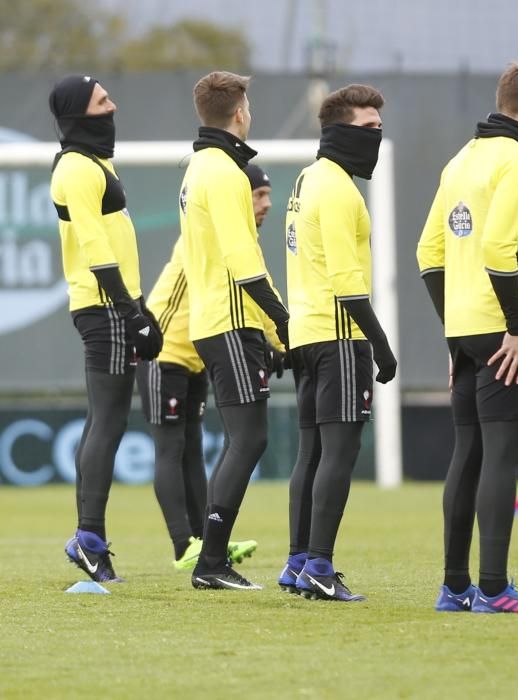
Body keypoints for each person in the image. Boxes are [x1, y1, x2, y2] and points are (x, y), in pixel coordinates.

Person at [416, 62, 518, 613]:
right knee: (501, 458)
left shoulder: (461, 159)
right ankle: (496, 589)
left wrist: (453, 333)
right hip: (507, 332)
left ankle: (455, 588)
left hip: (463, 329)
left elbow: (428, 254)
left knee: (468, 456)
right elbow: (501, 250)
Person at [278, 84, 397, 602]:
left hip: (306, 334)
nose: (377, 136)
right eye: (369, 128)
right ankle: (321, 566)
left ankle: (299, 561)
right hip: (340, 335)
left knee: (311, 453)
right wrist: (381, 345)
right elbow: (349, 283)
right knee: (339, 454)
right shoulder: (340, 189)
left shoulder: (307, 179)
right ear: (341, 130)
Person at [136, 164, 283, 571]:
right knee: (170, 450)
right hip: (163, 356)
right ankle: (184, 545)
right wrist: (148, 343)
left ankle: (205, 539)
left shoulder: (234, 244)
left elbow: (255, 295)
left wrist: (278, 343)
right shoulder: (199, 243)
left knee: (194, 450)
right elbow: (165, 301)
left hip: (196, 358)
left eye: (268, 195)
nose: (266, 204)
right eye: (259, 195)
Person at [49, 74, 163, 583]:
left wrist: (140, 304)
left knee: (105, 420)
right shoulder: (75, 167)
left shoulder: (94, 161)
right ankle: (90, 538)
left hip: (113, 304)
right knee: (109, 421)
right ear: (79, 113)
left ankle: (88, 538)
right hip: (103, 307)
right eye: (101, 101)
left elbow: (114, 240)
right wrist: (129, 311)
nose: (112, 105)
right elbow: (95, 247)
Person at [180, 71, 289, 590]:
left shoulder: (199, 166)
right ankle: (211, 563)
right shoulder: (224, 171)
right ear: (240, 112)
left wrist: (270, 330)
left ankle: (211, 557)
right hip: (228, 321)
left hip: (216, 319)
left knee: (244, 439)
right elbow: (245, 261)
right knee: (247, 440)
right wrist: (283, 322)